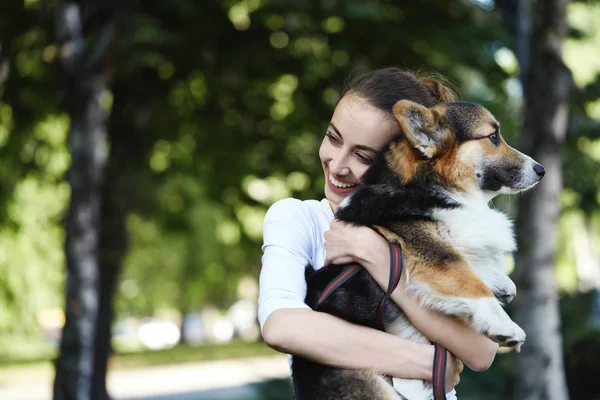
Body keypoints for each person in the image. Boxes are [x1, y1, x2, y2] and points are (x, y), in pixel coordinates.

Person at [257, 67, 498, 399]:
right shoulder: (300, 219)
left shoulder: (433, 232)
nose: (337, 165)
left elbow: (482, 350)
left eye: (362, 156)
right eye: (333, 138)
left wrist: (376, 256)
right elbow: (282, 325)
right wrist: (429, 362)